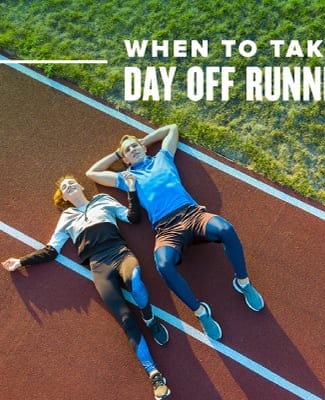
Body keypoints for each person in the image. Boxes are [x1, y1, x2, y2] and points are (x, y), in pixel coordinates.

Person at [86, 123, 264, 340]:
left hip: (193, 215)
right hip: (166, 229)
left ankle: (242, 283)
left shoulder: (163, 157)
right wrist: (116, 152)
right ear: (125, 160)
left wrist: (145, 141)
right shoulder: (127, 178)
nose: (133, 150)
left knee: (226, 229)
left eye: (135, 146)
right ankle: (201, 312)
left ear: (142, 146)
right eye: (128, 151)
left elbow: (171, 128)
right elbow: (92, 173)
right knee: (163, 265)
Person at [2, 174, 171, 400]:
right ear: (63, 196)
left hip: (119, 253)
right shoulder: (66, 217)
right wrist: (21, 261)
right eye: (64, 187)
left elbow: (132, 218)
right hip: (98, 267)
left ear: (80, 186)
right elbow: (52, 250)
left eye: (71, 182)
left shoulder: (103, 199)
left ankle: (150, 319)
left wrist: (131, 188)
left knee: (136, 277)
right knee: (125, 319)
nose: (68, 185)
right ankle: (154, 374)